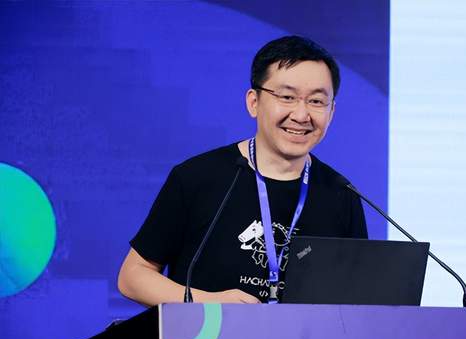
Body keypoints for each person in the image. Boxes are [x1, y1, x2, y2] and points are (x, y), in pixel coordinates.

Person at [118, 36, 368, 306]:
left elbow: (356, 300)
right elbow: (133, 277)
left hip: (303, 336)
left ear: (331, 112)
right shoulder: (197, 178)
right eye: (287, 97)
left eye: (317, 101)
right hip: (207, 334)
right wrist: (208, 304)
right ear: (254, 102)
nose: (301, 115)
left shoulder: (342, 195)